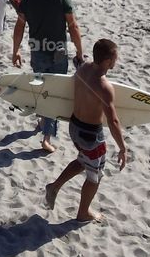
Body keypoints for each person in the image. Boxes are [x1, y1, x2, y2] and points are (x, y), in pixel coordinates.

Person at [44, 38, 127, 223]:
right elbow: (113, 121)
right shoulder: (104, 87)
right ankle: (83, 213)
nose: (116, 61)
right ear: (107, 61)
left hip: (74, 127)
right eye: (115, 58)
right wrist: (122, 147)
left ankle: (54, 187)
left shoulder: (83, 69)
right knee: (94, 176)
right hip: (91, 135)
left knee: (83, 159)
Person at [11, 0, 84, 153]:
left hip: (37, 50)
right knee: (54, 92)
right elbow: (73, 27)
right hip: (58, 51)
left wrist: (15, 50)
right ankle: (46, 137)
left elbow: (19, 27)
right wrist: (79, 50)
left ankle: (43, 119)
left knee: (42, 87)